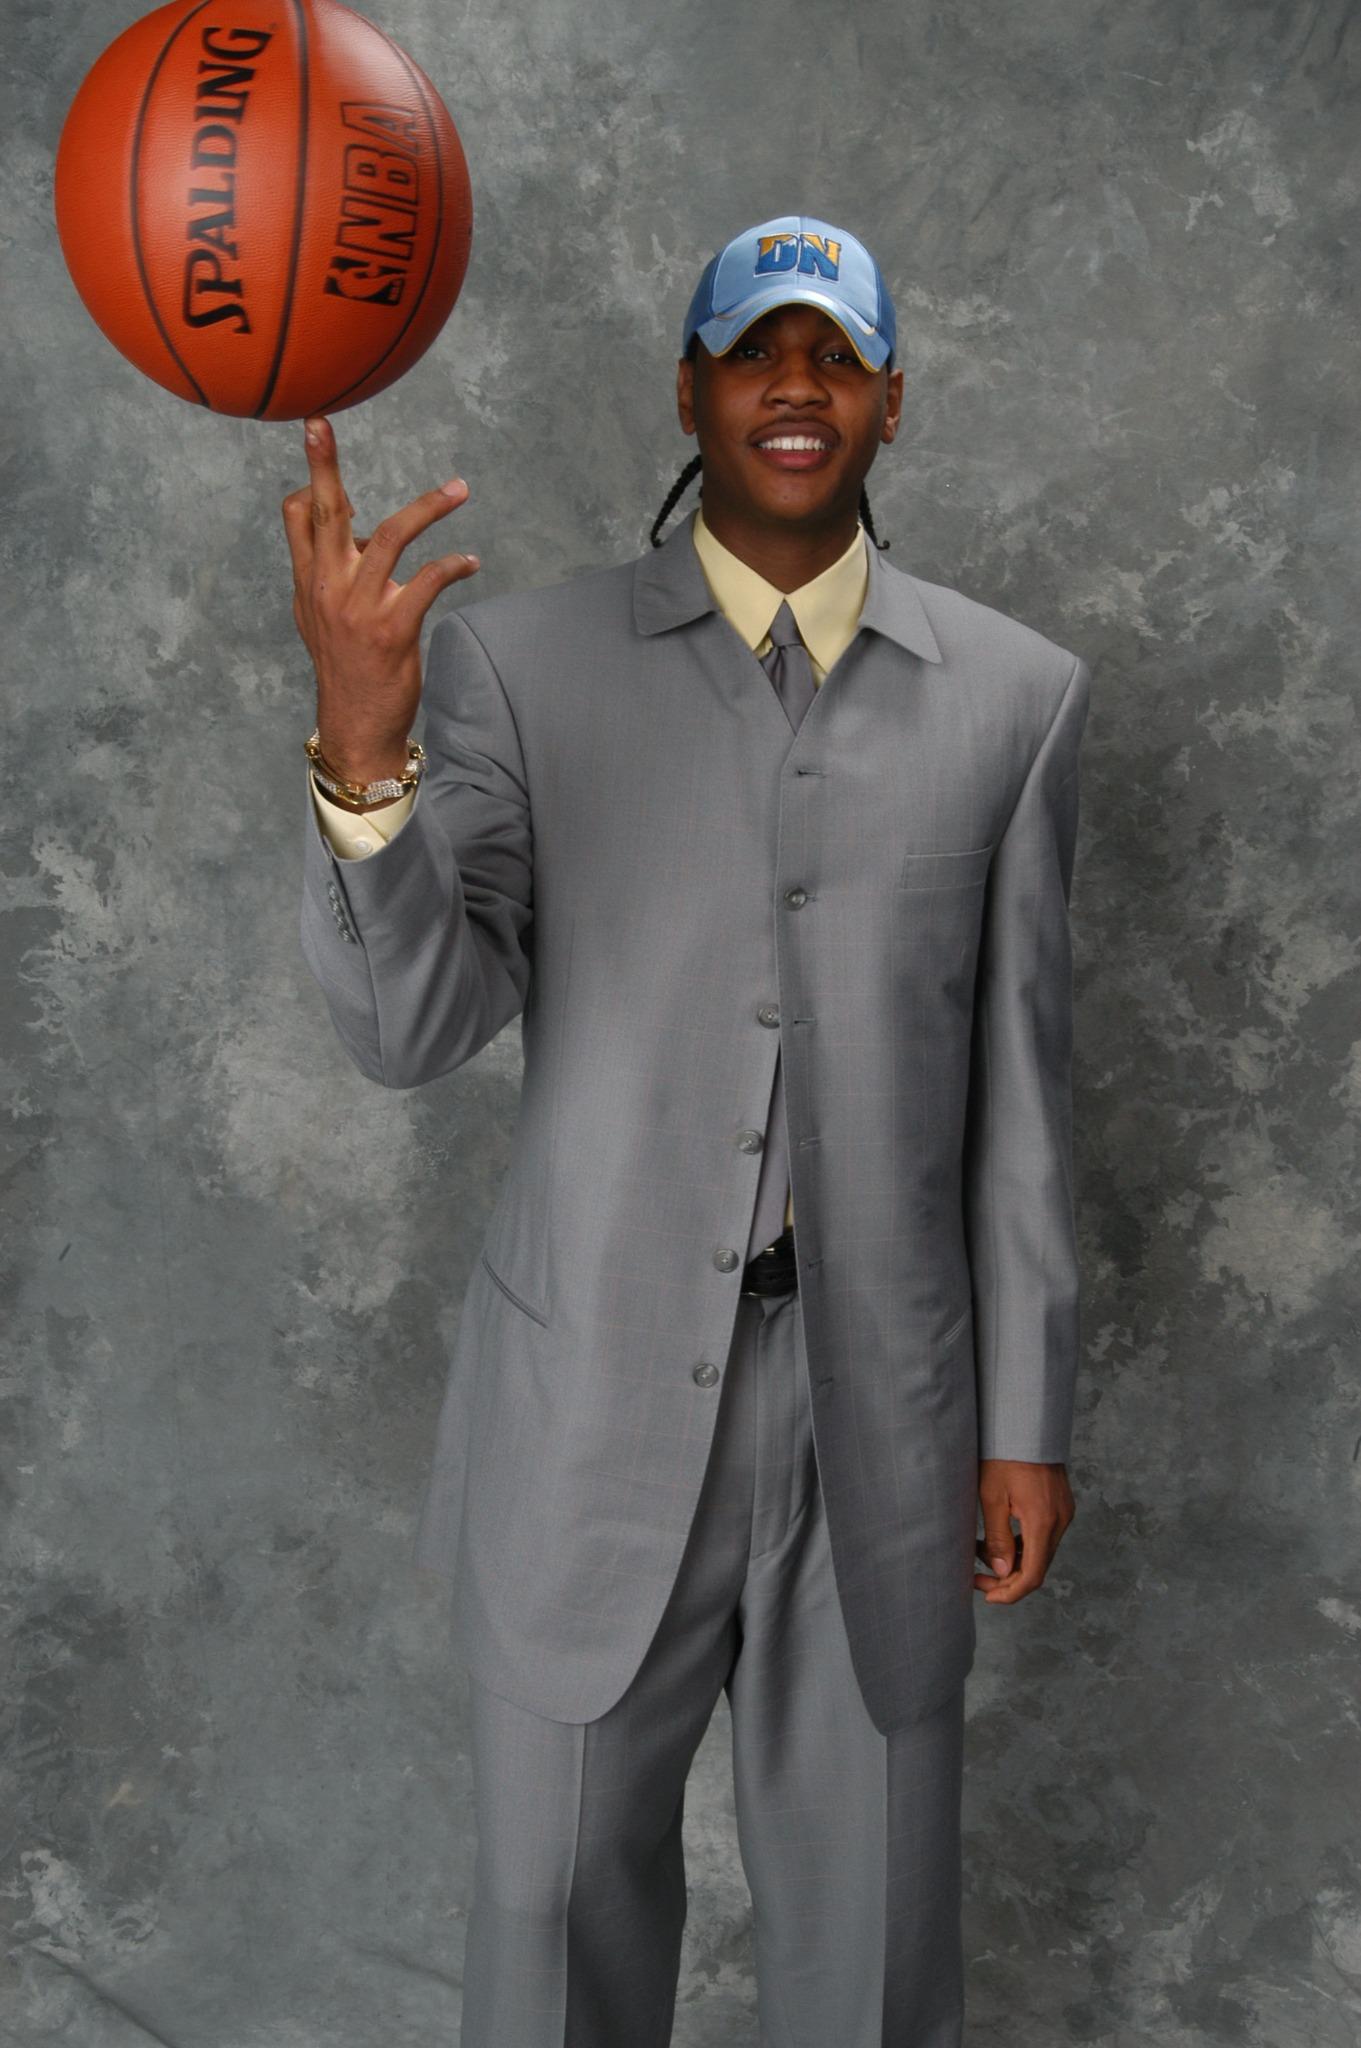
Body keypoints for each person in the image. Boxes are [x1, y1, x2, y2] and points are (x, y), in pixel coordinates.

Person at [284, 213, 1091, 2047]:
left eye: (835, 354)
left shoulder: (1018, 699)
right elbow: (410, 1027)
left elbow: (1021, 1098)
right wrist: (362, 754)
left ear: (892, 401)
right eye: (754, 350)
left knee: (869, 1964)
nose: (795, 384)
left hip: (886, 1420)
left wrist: (1025, 1419)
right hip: (586, 1408)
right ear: (690, 392)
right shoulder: (514, 669)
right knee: (552, 1937)